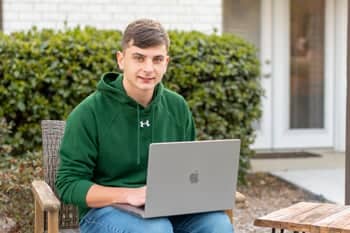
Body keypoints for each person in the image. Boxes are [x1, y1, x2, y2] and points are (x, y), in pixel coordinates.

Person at [55, 18, 234, 233]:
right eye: (139, 58)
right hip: (105, 213)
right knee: (156, 230)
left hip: (168, 209)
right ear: (121, 60)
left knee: (218, 225)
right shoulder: (88, 112)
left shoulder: (177, 107)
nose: (148, 68)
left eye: (157, 59)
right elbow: (68, 184)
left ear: (166, 62)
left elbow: (188, 172)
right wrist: (127, 195)